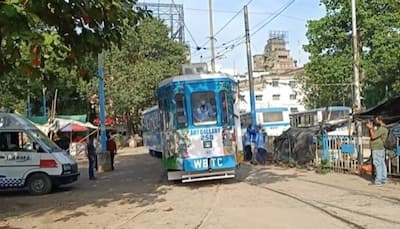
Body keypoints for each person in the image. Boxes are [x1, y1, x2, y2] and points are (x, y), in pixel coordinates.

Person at [366, 116, 388, 185]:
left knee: (378, 164)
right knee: (382, 163)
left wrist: (370, 128)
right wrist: (370, 128)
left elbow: (373, 136)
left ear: (380, 120)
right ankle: (383, 178)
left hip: (377, 148)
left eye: (376, 120)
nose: (375, 121)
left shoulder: (382, 129)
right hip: (380, 148)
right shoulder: (383, 128)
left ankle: (378, 180)